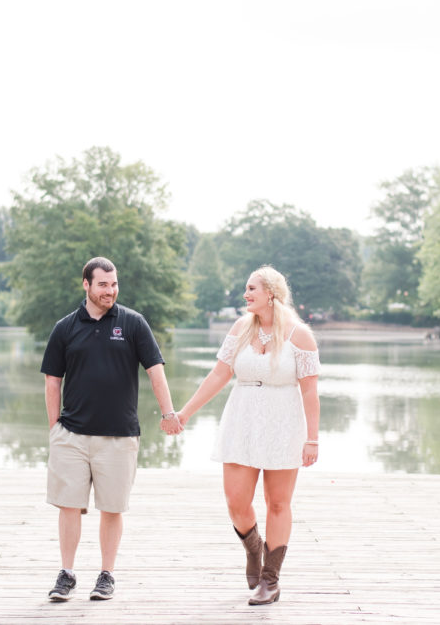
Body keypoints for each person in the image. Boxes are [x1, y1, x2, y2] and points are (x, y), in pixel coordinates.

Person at [176, 266, 320, 606]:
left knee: (278, 502)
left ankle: (271, 579)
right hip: (241, 420)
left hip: (284, 421)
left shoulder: (300, 336)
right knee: (236, 502)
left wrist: (312, 439)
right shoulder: (241, 328)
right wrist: (185, 412)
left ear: (270, 292)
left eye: (251, 288)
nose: (246, 294)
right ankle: (255, 548)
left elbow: (310, 392)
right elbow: (219, 374)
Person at [41, 256, 183, 602]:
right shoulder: (65, 328)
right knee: (68, 505)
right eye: (103, 284)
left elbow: (155, 370)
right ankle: (67, 573)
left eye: (114, 284)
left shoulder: (133, 324)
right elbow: (52, 381)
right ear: (86, 285)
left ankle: (106, 575)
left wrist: (168, 412)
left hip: (119, 436)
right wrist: (54, 428)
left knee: (112, 508)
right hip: (72, 435)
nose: (110, 290)